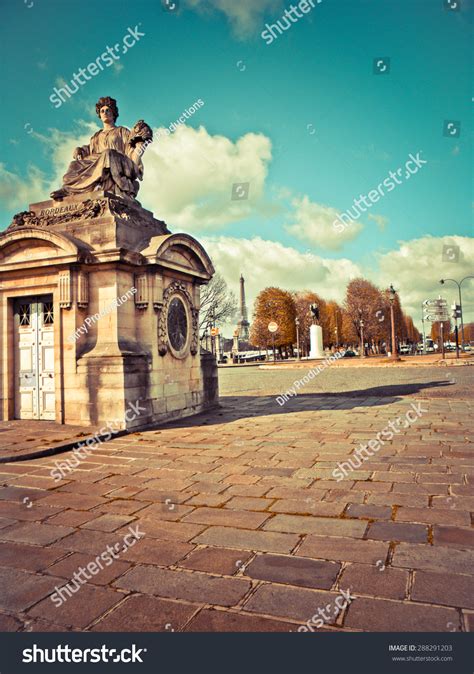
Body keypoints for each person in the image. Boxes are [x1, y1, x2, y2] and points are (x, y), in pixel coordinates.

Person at [50, 96, 152, 201]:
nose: (105, 112)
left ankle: (96, 183)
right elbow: (89, 150)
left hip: (118, 163)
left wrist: (140, 142)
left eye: (108, 110)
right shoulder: (96, 136)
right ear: (99, 114)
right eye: (102, 111)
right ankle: (68, 189)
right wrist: (79, 149)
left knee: (108, 153)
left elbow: (131, 148)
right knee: (74, 165)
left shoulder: (122, 131)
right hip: (98, 160)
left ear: (113, 114)